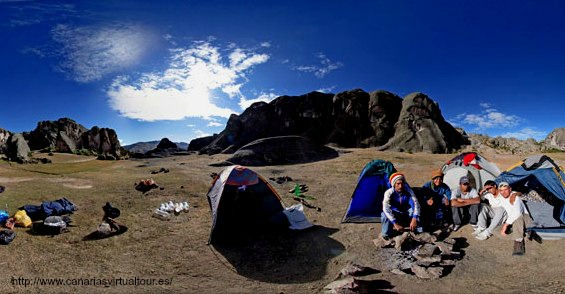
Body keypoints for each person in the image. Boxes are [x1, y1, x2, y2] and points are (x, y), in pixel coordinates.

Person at [380, 172, 421, 240]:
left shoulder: (409, 191)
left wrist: (414, 219)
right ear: (394, 184)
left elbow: (416, 204)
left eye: (402, 183)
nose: (400, 186)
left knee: (417, 213)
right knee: (384, 215)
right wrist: (395, 223)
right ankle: (386, 234)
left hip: (405, 212)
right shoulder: (389, 193)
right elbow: (385, 208)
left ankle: (417, 231)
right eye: (398, 184)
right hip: (395, 213)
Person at [498, 182, 533, 255]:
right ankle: (528, 232)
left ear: (510, 189)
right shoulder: (501, 198)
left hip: (525, 218)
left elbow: (517, 213)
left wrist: (505, 225)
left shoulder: (515, 197)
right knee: (497, 229)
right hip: (514, 220)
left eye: (505, 190)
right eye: (501, 190)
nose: (503, 192)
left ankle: (519, 242)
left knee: (517, 217)